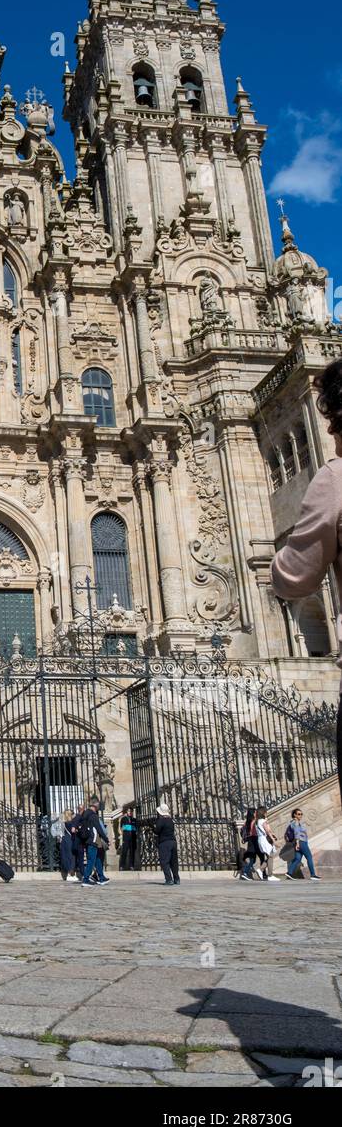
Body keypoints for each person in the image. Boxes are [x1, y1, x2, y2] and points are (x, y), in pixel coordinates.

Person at [270, 356, 342, 804]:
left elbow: (294, 577)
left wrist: (271, 555)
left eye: (333, 424)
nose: (330, 436)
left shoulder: (336, 477)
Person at [79, 796, 110, 886]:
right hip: (93, 840)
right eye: (98, 804)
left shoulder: (85, 814)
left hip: (88, 840)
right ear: (95, 804)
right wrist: (106, 839)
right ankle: (85, 879)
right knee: (91, 860)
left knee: (97, 859)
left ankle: (101, 877)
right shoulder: (93, 815)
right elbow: (99, 829)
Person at [285, 807, 320, 881]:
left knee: (297, 859)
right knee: (309, 857)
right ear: (294, 815)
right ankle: (313, 875)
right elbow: (297, 833)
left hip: (298, 843)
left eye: (301, 814)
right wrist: (297, 843)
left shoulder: (292, 822)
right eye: (298, 814)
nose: (300, 816)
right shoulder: (296, 822)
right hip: (301, 842)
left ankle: (289, 873)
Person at [155, 801, 180, 885]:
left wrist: (152, 827)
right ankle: (177, 879)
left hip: (164, 843)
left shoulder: (161, 820)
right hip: (173, 841)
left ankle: (169, 879)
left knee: (164, 861)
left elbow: (157, 831)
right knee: (174, 861)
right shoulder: (170, 820)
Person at [255, 806, 280, 881]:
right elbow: (267, 831)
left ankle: (261, 870)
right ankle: (270, 875)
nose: (267, 813)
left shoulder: (257, 821)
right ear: (263, 813)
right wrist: (273, 840)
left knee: (269, 856)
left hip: (261, 839)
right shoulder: (262, 821)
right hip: (265, 840)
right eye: (266, 812)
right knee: (270, 856)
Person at [66, 804, 85, 882]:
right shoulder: (77, 818)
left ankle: (72, 874)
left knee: (72, 859)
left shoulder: (68, 821)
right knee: (78, 859)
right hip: (77, 841)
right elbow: (73, 830)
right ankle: (83, 875)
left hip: (72, 841)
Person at [119, 805, 138, 871]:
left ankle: (131, 866)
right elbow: (121, 828)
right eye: (129, 811)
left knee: (132, 852)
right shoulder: (123, 819)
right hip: (126, 838)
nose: (130, 812)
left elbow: (136, 829)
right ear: (127, 812)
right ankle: (122, 866)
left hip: (133, 838)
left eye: (131, 811)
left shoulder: (134, 820)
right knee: (124, 851)